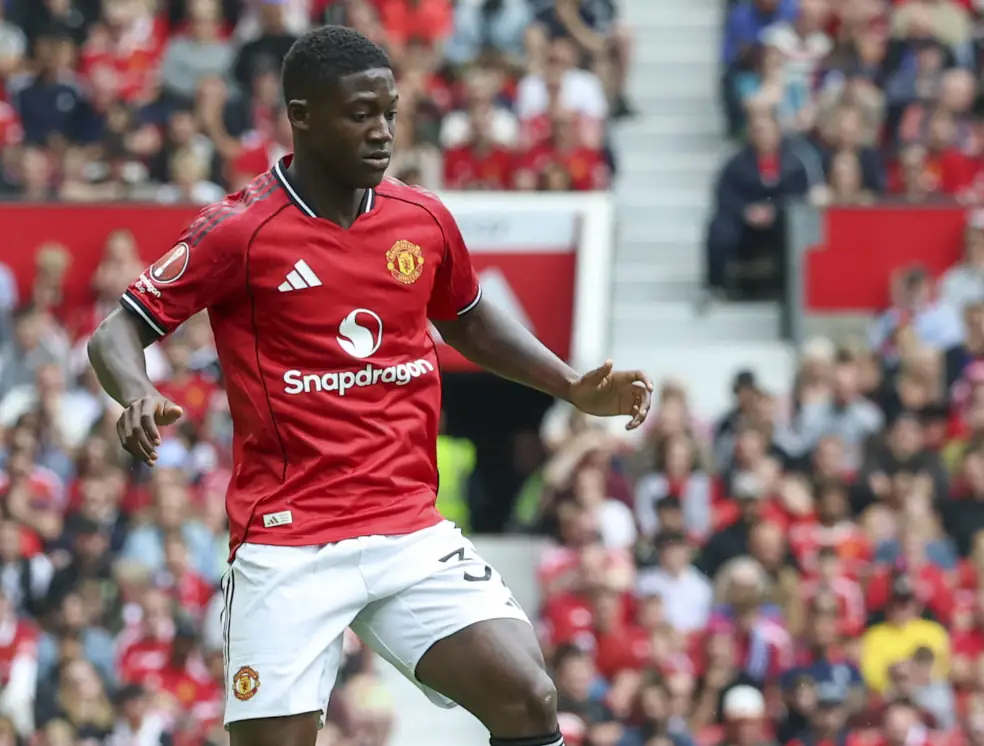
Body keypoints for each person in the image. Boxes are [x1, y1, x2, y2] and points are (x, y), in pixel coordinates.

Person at [87, 26, 653, 746]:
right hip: (289, 542)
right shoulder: (240, 231)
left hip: (405, 528)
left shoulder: (422, 218)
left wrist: (571, 386)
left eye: (388, 112)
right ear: (301, 116)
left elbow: (469, 320)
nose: (382, 131)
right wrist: (136, 391)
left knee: (529, 696)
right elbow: (116, 332)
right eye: (360, 114)